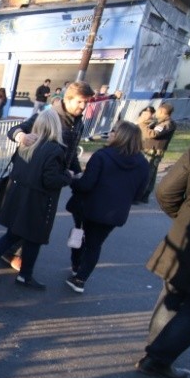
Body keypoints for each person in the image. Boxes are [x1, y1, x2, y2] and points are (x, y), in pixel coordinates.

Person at [0, 108, 74, 290]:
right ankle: (25, 275)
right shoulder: (55, 150)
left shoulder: (27, 145)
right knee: (33, 239)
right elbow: (50, 180)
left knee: (11, 236)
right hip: (37, 202)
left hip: (19, 198)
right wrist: (68, 175)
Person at [3, 81, 94, 270]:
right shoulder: (47, 114)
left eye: (86, 102)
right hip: (37, 177)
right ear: (67, 99)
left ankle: (16, 254)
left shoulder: (78, 122)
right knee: (29, 219)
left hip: (56, 177)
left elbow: (70, 153)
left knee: (37, 221)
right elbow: (13, 130)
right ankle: (12, 253)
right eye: (80, 102)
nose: (83, 107)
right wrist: (22, 136)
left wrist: (78, 173)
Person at [64, 120, 149, 293]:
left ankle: (76, 267)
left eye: (113, 131)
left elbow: (86, 185)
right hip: (115, 213)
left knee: (79, 236)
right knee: (95, 245)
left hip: (89, 208)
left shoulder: (102, 156)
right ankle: (80, 278)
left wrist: (73, 180)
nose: (109, 134)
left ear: (121, 136)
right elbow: (140, 193)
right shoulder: (143, 163)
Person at [135, 144, 190, 378]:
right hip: (187, 229)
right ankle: (157, 358)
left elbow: (166, 191)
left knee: (172, 292)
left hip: (186, 234)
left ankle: (155, 350)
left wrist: (184, 215)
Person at [138, 102, 177, 204]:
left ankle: (140, 194)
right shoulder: (160, 122)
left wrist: (142, 124)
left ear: (162, 111)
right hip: (150, 149)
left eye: (158, 111)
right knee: (150, 173)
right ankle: (144, 194)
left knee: (147, 173)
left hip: (154, 151)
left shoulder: (166, 124)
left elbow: (152, 134)